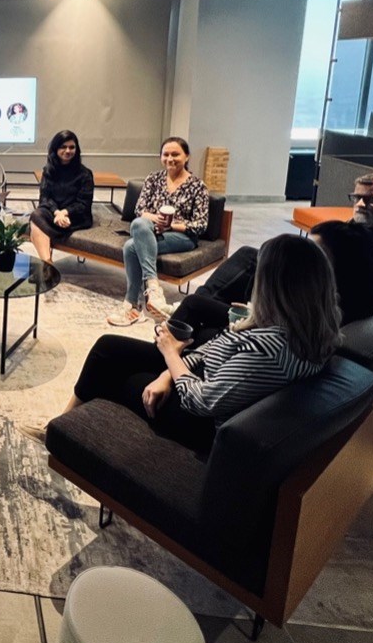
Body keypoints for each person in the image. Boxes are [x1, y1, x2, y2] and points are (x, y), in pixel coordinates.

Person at [22, 234, 337, 452]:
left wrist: (171, 356)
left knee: (112, 375)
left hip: (198, 421)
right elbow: (217, 347)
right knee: (108, 348)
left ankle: (72, 439)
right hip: (197, 378)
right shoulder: (303, 327)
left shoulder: (270, 348)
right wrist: (166, 372)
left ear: (274, 286)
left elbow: (201, 403)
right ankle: (60, 427)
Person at [181, 171, 373, 314]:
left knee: (251, 262)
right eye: (356, 197)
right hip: (310, 287)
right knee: (253, 256)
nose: (359, 205)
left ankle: (203, 309)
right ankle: (211, 307)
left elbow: (363, 298)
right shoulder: (359, 228)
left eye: (370, 200)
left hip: (317, 304)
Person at [169, 219, 373, 348]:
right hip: (260, 320)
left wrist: (255, 315)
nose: (303, 253)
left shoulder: (325, 305)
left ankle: (176, 328)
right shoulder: (328, 290)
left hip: (256, 330)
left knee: (193, 304)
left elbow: (283, 329)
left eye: (313, 251)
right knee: (252, 256)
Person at [107, 136, 210, 327]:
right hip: (150, 231)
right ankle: (151, 291)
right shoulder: (153, 179)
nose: (170, 159)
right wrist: (155, 219)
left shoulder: (197, 186)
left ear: (186, 156)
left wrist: (171, 225)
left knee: (131, 246)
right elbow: (140, 210)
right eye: (166, 154)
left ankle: (134, 306)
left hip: (183, 237)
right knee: (137, 228)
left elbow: (201, 224)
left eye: (176, 154)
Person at [28, 129, 94, 264]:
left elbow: (83, 204)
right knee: (37, 214)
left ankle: (46, 265)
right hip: (55, 213)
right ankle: (48, 262)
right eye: (63, 147)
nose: (68, 151)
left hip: (75, 217)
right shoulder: (49, 170)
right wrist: (57, 212)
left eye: (72, 147)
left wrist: (64, 213)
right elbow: (45, 198)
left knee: (36, 224)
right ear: (55, 149)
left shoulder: (85, 174)